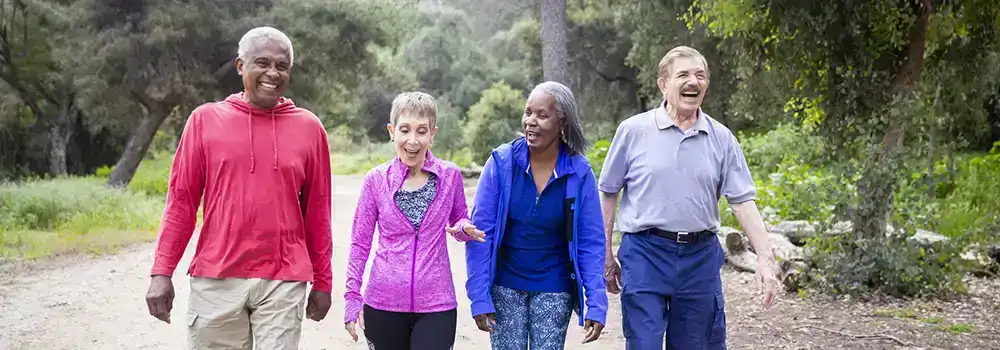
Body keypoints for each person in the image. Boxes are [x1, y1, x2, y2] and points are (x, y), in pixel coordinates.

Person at [143, 26, 333, 350]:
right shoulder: (204, 120)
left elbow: (317, 212)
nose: (272, 73)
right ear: (240, 66)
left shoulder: (309, 128)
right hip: (216, 277)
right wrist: (162, 272)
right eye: (262, 63)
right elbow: (181, 203)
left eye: (282, 66)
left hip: (283, 280)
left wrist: (323, 282)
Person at [599, 45, 781, 350]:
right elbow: (608, 193)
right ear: (663, 84)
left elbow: (742, 201)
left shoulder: (721, 138)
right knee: (643, 343)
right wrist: (605, 255)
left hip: (700, 258)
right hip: (645, 253)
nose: (693, 82)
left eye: (700, 75)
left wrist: (765, 257)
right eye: (683, 74)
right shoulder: (632, 131)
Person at [465, 81, 608, 350]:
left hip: (555, 285)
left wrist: (596, 304)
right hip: (505, 285)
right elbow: (481, 234)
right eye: (528, 113)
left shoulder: (578, 172)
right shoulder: (501, 163)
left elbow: (591, 242)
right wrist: (479, 297)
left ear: (561, 121)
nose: (531, 122)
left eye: (542, 115)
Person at [343, 91, 487, 350]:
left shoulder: (450, 176)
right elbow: (359, 245)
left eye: (421, 131)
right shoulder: (376, 180)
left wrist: (464, 229)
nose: (412, 140)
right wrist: (352, 298)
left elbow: (459, 219)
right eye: (405, 130)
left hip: (437, 305)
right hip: (382, 304)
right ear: (391, 131)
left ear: (433, 134)